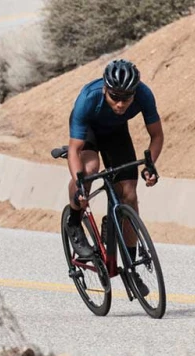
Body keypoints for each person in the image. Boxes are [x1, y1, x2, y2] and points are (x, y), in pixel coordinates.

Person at [66, 59, 164, 295]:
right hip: (89, 131)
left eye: (126, 99)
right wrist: (80, 186)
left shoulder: (143, 94)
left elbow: (157, 136)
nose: (120, 104)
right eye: (114, 97)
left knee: (129, 193)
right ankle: (74, 221)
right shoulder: (88, 99)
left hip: (116, 134)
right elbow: (74, 150)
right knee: (89, 170)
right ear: (105, 90)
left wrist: (150, 165)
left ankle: (130, 270)